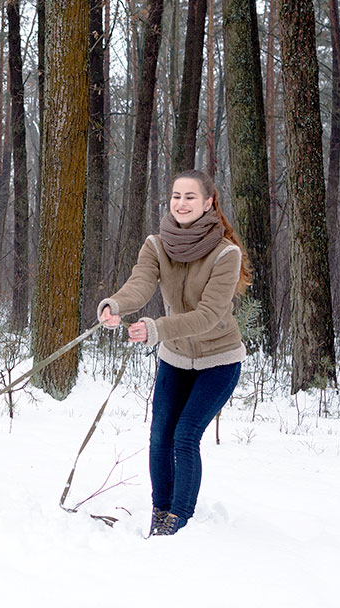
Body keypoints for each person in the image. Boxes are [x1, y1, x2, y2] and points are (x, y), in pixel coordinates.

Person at [98, 169, 252, 536]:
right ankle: (160, 511)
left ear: (208, 202)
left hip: (219, 360)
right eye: (176, 196)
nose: (181, 204)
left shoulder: (226, 253)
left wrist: (156, 329)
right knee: (160, 436)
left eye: (190, 197)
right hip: (176, 359)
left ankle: (179, 519)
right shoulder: (156, 245)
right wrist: (115, 305)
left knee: (185, 435)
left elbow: (210, 315)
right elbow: (139, 284)